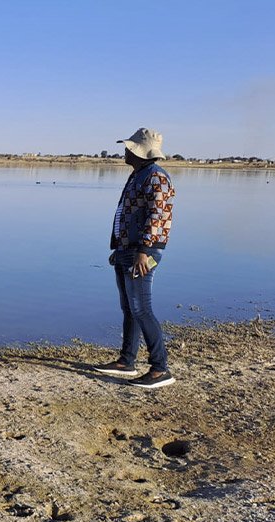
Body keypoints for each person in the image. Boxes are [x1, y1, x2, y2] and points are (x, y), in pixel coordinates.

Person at [93, 128, 176, 388]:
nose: (125, 151)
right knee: (129, 307)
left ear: (140, 151)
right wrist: (119, 248)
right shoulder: (138, 175)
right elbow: (127, 215)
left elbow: (157, 216)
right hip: (127, 249)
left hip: (143, 251)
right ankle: (126, 361)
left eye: (129, 147)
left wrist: (142, 250)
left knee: (142, 308)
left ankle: (160, 369)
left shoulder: (156, 178)